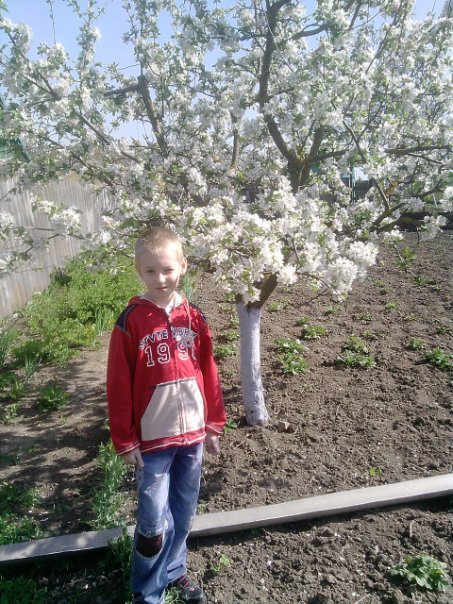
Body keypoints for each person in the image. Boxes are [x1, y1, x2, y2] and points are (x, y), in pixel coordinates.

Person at [107, 226, 226, 604]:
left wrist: (213, 424)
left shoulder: (194, 317)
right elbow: (118, 384)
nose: (160, 279)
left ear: (183, 267)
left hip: (192, 438)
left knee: (184, 511)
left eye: (168, 270)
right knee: (153, 521)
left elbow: (209, 371)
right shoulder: (131, 321)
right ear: (139, 271)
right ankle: (147, 591)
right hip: (152, 442)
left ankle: (175, 571)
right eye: (151, 271)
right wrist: (125, 440)